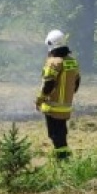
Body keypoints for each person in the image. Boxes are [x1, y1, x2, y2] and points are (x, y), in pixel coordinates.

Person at [35, 29, 80, 158]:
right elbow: (76, 83)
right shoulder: (72, 61)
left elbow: (48, 84)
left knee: (54, 134)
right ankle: (64, 157)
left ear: (51, 44)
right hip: (66, 106)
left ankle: (62, 159)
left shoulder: (54, 62)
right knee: (61, 133)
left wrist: (39, 99)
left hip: (52, 107)